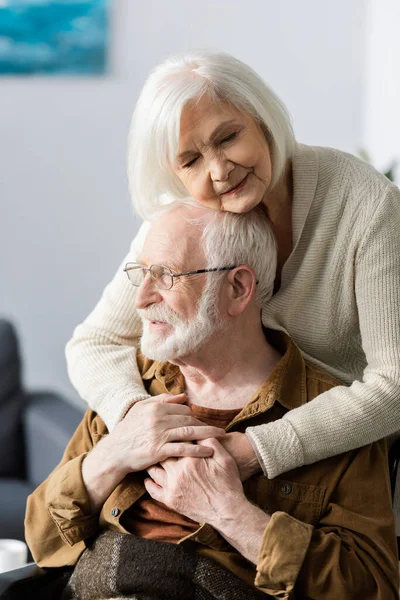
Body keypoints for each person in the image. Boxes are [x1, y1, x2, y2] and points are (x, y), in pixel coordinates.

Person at [26, 204, 399, 599]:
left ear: (238, 288)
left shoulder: (336, 418)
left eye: (165, 275)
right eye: (141, 273)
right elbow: (41, 540)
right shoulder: (127, 387)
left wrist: (230, 514)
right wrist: (112, 454)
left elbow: (372, 589)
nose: (141, 299)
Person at [65, 50, 400, 482]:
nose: (220, 171)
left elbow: (395, 382)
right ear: (175, 173)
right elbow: (95, 342)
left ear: (262, 120)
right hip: (218, 455)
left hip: (345, 471)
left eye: (228, 138)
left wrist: (257, 449)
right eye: (191, 160)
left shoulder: (366, 204)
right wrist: (137, 418)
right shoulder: (185, 219)